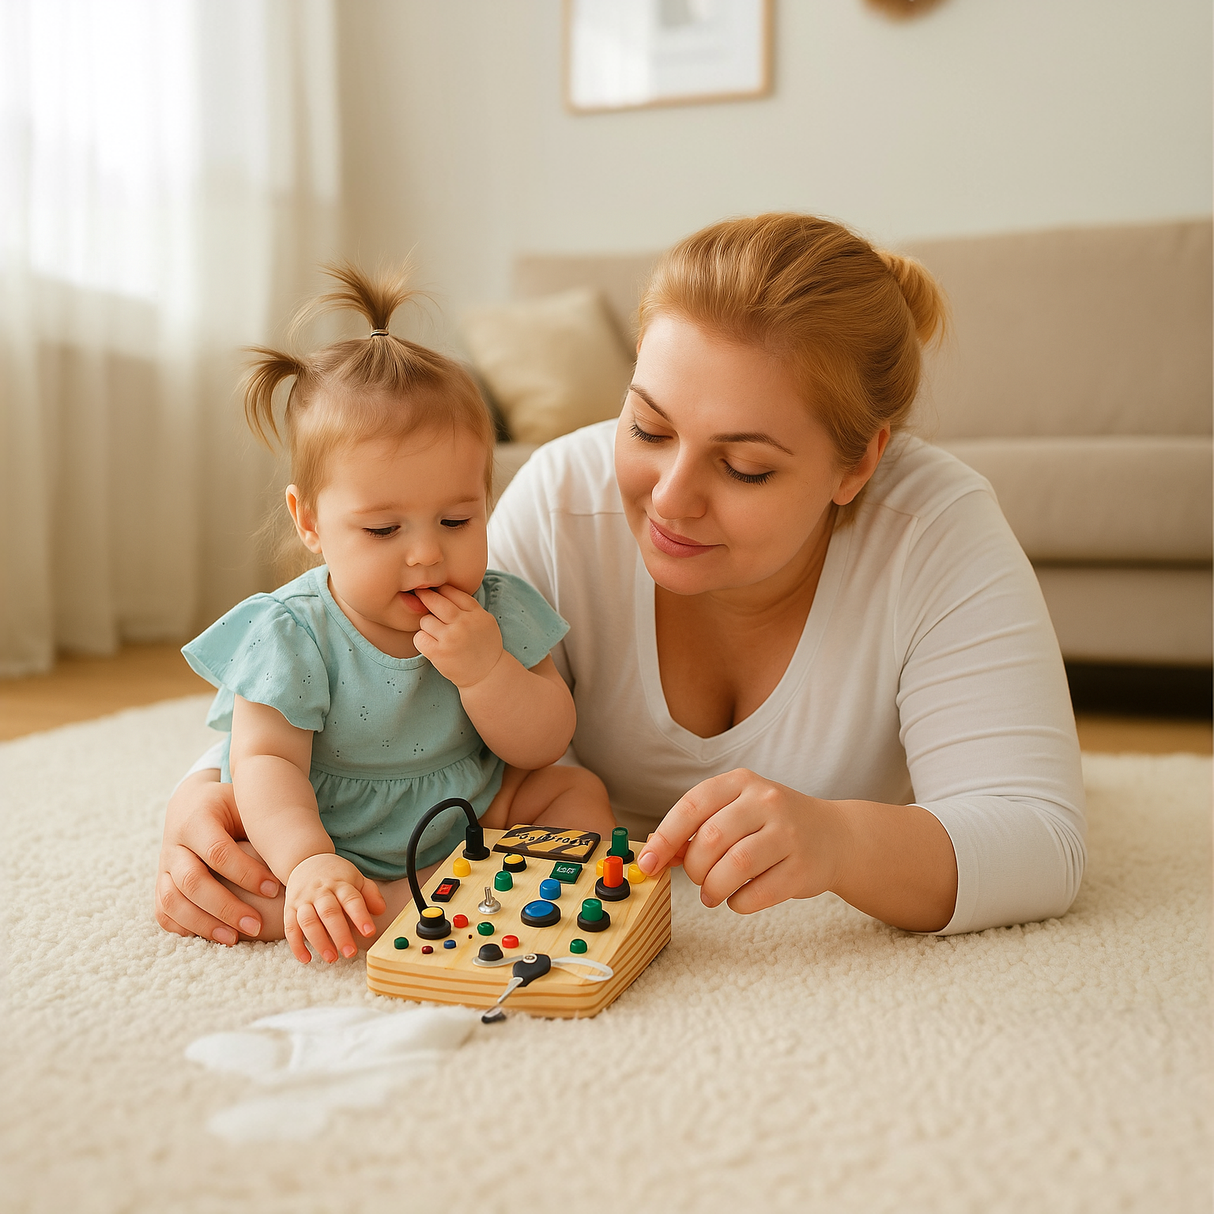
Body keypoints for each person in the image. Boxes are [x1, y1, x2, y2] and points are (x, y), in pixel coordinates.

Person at [156, 215, 1085, 945]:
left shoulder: (935, 532)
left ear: (860, 463)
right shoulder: (563, 496)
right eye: (646, 428)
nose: (669, 498)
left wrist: (841, 840)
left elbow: (1041, 841)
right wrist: (203, 797)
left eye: (746, 467)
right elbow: (365, 664)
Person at [168, 264, 613, 963]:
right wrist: (308, 860)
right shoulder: (293, 631)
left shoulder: (497, 606)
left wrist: (487, 672)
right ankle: (383, 898)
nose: (427, 554)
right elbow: (265, 762)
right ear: (310, 522)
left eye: (457, 520)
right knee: (238, 877)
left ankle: (428, 893)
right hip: (329, 827)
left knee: (575, 794)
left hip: (470, 810)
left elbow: (545, 742)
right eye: (383, 530)